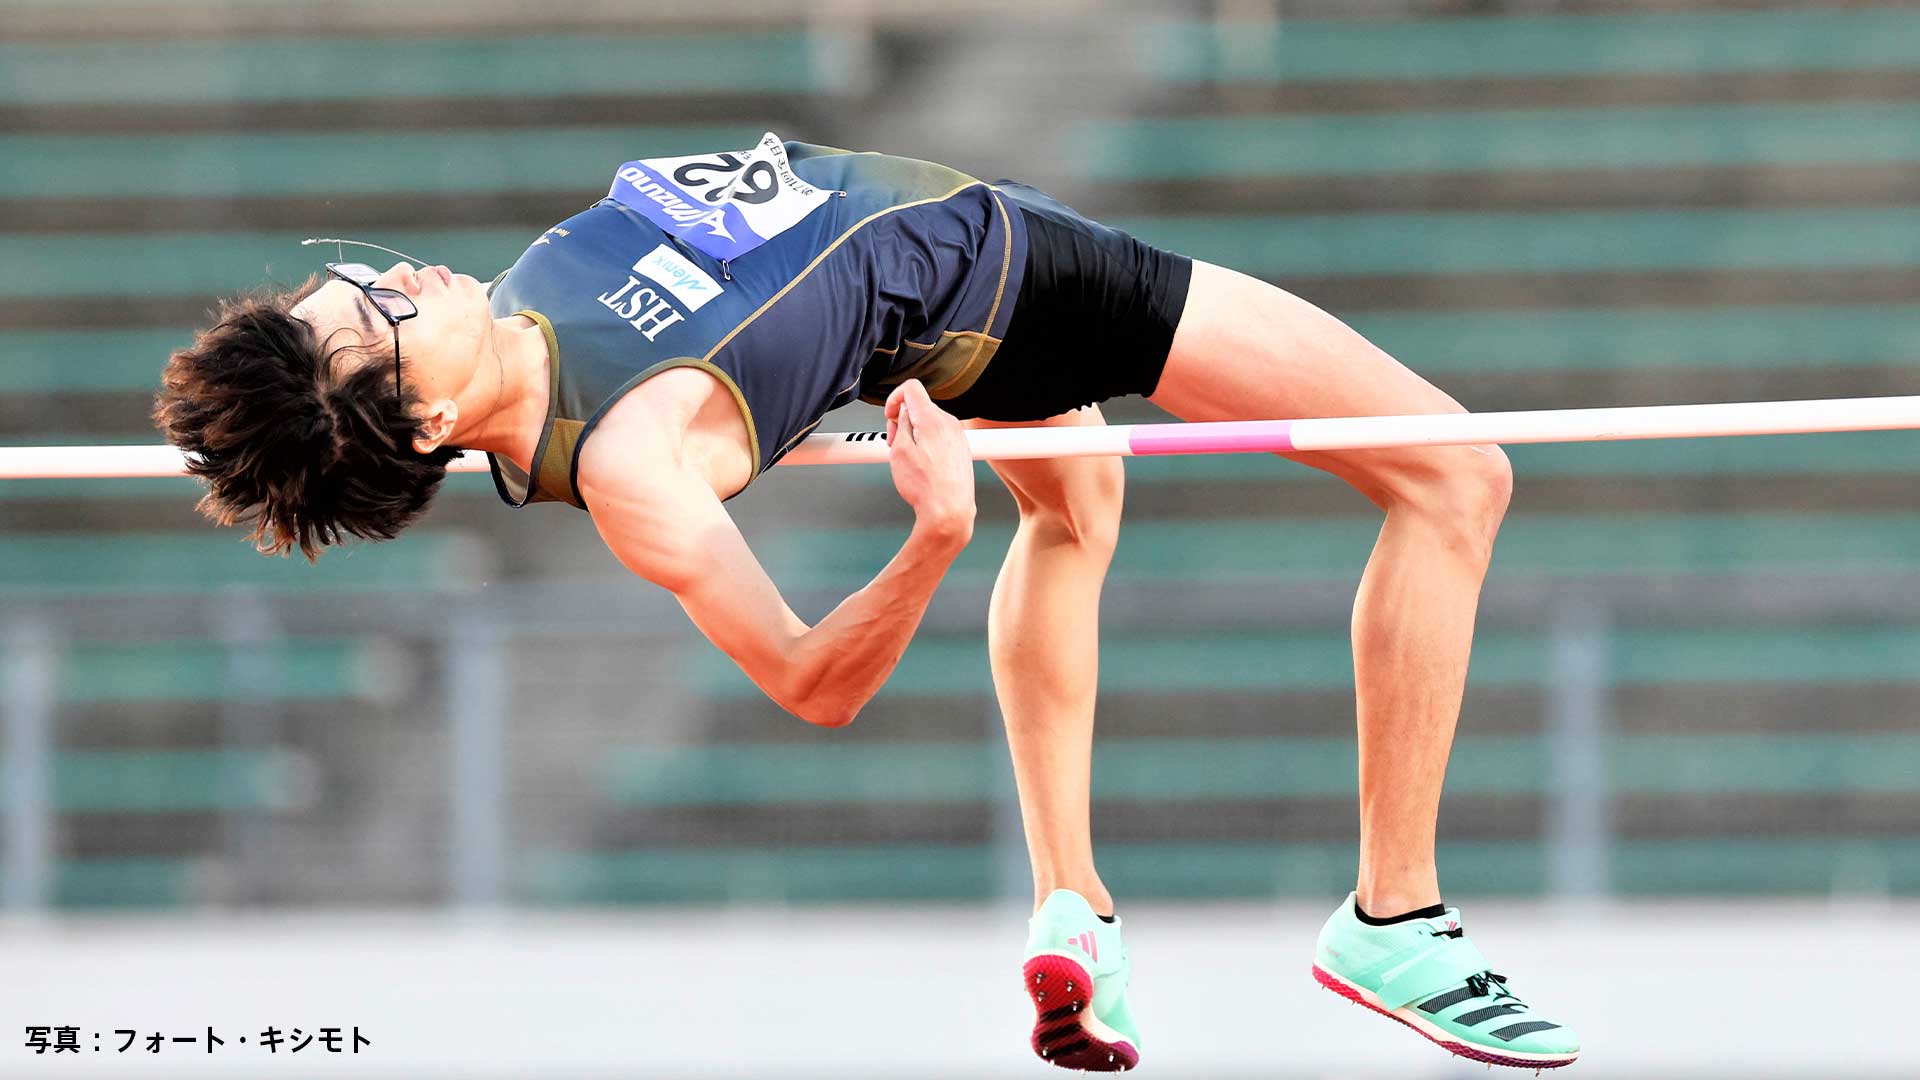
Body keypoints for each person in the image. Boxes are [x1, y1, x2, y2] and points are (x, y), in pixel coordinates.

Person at [155, 135, 1576, 1072]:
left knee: (1081, 505)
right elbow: (809, 681)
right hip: (1025, 282)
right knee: (1460, 477)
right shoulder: (635, 465)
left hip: (948, 299)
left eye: (354, 280)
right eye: (374, 313)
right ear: (418, 423)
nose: (390, 275)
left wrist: (843, 395)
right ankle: (1395, 915)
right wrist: (930, 534)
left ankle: (1074, 905)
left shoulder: (524, 319)